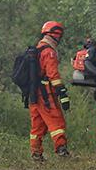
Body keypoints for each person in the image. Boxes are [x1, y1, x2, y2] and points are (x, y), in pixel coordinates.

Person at [30, 21, 71, 160]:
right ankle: (61, 149)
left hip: (33, 92)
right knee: (56, 120)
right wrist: (62, 91)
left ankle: (36, 153)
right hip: (45, 92)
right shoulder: (49, 52)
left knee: (38, 123)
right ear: (56, 35)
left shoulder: (38, 48)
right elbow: (53, 74)